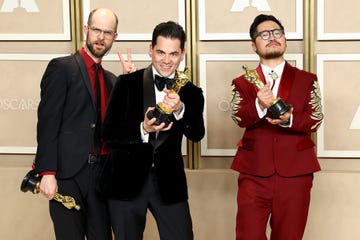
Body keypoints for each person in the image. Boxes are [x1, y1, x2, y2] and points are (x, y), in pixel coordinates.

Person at [32, 8, 134, 239]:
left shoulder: (112, 80)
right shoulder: (62, 67)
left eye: (107, 32)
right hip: (67, 175)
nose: (101, 37)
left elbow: (121, 128)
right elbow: (47, 122)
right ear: (86, 30)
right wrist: (47, 172)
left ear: (114, 37)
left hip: (101, 175)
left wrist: (128, 86)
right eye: (96, 30)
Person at [100, 21, 205, 240]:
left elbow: (197, 134)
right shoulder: (127, 83)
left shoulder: (192, 92)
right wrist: (143, 128)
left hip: (169, 183)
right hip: (125, 182)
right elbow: (109, 133)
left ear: (183, 54)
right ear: (151, 50)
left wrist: (181, 110)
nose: (167, 60)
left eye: (174, 54)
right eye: (161, 52)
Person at [230, 14, 324, 240]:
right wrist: (259, 105)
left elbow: (316, 118)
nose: (272, 37)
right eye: (264, 34)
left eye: (277, 33)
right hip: (254, 172)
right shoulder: (241, 83)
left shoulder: (307, 79)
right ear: (254, 45)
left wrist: (289, 120)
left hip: (296, 173)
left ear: (285, 40)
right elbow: (238, 117)